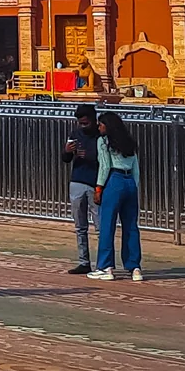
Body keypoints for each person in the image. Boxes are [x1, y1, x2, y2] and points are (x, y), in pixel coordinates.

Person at [89, 108, 143, 282]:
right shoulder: (129, 142)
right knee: (131, 226)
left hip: (114, 180)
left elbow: (104, 166)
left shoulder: (103, 142)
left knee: (107, 225)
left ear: (107, 126)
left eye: (101, 125)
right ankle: (134, 267)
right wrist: (134, 186)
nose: (98, 128)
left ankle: (106, 266)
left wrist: (98, 188)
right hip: (130, 183)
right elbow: (136, 167)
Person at [61, 104, 101, 274]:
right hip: (77, 181)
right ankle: (84, 261)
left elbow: (105, 160)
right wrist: (67, 151)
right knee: (80, 226)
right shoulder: (75, 134)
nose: (83, 126)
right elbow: (65, 159)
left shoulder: (101, 135)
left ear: (93, 120)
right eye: (80, 123)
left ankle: (103, 263)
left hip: (95, 183)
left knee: (100, 226)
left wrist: (90, 156)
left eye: (86, 123)